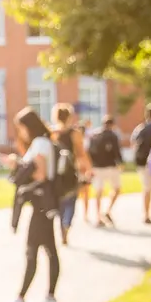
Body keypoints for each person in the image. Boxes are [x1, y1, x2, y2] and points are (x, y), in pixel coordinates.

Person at [4, 107, 59, 302]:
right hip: (47, 203)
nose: (21, 133)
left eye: (21, 128)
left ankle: (21, 298)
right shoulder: (46, 142)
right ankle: (50, 297)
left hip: (40, 203)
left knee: (32, 251)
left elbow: (40, 174)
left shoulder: (40, 144)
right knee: (49, 251)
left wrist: (17, 165)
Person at [51, 104, 88, 246]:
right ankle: (66, 225)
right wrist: (87, 169)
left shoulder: (52, 132)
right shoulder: (75, 133)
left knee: (60, 202)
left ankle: (62, 227)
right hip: (71, 172)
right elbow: (80, 153)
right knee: (71, 201)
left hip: (56, 173)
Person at [87, 115, 124, 227]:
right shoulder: (113, 135)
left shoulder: (94, 135)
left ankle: (98, 216)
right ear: (112, 124)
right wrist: (121, 163)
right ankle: (107, 210)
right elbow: (117, 151)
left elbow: (90, 152)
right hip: (110, 166)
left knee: (98, 191)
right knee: (117, 189)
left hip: (97, 167)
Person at [131, 104, 151, 224]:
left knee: (147, 189)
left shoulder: (140, 128)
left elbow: (133, 143)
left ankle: (146, 214)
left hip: (142, 162)